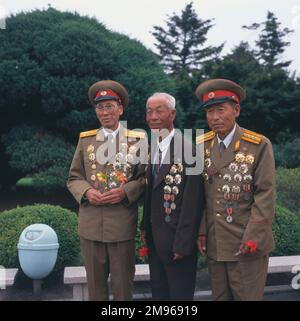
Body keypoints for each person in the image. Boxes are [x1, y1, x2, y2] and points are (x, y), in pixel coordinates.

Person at [195, 78, 276, 301]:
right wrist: (202, 230)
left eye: (221, 110)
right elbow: (199, 195)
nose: (215, 117)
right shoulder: (200, 146)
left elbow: (265, 195)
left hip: (246, 241)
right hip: (216, 241)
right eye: (210, 112)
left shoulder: (258, 145)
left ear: (236, 110)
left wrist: (253, 237)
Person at [67, 80, 146, 301]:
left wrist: (125, 192)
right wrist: (86, 192)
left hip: (121, 225)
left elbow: (144, 178)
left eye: (109, 106)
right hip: (91, 226)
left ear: (120, 109)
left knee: (122, 289)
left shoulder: (137, 141)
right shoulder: (86, 140)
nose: (104, 112)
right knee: (95, 289)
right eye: (99, 107)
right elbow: (74, 177)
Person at [141, 92, 204, 300]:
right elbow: (151, 193)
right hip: (156, 240)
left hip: (177, 243)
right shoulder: (153, 148)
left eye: (159, 110)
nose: (153, 116)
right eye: (149, 111)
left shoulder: (190, 151)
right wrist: (144, 228)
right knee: (160, 296)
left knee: (179, 297)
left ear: (173, 114)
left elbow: (193, 202)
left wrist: (183, 244)